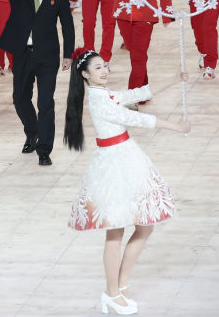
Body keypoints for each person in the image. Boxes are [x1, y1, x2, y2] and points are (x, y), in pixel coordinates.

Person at [64, 50, 189, 315]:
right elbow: (136, 118)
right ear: (85, 74)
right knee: (116, 230)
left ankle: (120, 284)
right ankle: (111, 293)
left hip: (127, 157)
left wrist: (174, 79)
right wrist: (176, 127)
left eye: (105, 66)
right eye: (98, 68)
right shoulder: (99, 100)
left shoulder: (105, 94)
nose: (105, 71)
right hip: (113, 164)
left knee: (145, 227)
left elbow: (135, 94)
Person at [0, 0, 75, 166]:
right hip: (22, 53)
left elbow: (67, 24)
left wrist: (68, 54)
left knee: (45, 103)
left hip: (47, 55)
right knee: (20, 98)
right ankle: (32, 132)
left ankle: (44, 150)